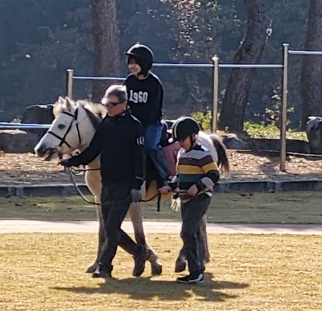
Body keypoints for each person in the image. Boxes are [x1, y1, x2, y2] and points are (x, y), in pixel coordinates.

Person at [60, 85, 153, 279]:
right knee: (111, 227)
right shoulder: (106, 124)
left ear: (124, 104)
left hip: (125, 184)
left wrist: (137, 184)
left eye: (112, 104)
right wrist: (72, 161)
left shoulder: (134, 126)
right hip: (108, 183)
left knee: (110, 227)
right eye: (106, 103)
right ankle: (139, 252)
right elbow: (93, 150)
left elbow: (139, 158)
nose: (108, 107)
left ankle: (105, 267)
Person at [159, 117, 219, 284]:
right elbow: (180, 176)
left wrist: (198, 186)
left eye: (182, 140)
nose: (180, 144)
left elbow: (214, 174)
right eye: (177, 140)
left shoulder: (203, 154)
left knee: (187, 232)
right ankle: (198, 268)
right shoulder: (181, 154)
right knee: (191, 231)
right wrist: (170, 186)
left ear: (194, 136)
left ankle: (196, 270)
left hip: (200, 199)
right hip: (186, 199)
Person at [124, 43, 168, 187]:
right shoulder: (129, 81)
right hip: (132, 123)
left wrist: (139, 126)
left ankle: (163, 178)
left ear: (145, 63)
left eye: (135, 62)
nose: (132, 66)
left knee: (149, 147)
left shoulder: (154, 84)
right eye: (130, 62)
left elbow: (152, 111)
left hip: (151, 124)